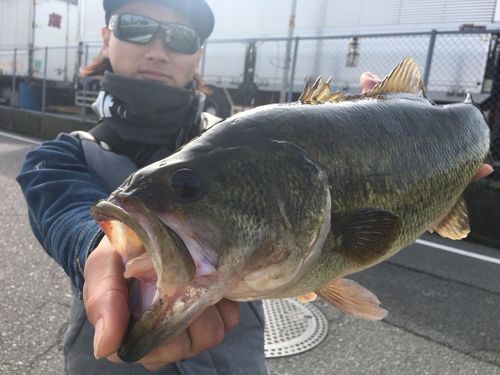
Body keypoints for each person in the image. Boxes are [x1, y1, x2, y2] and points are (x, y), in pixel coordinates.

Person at [16, 0, 493, 374]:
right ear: (106, 38)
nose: (158, 48)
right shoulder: (55, 158)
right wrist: (99, 248)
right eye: (136, 26)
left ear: (198, 54)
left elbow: (376, 225)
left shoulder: (243, 137)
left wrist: (428, 159)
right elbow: (68, 213)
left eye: (181, 36)